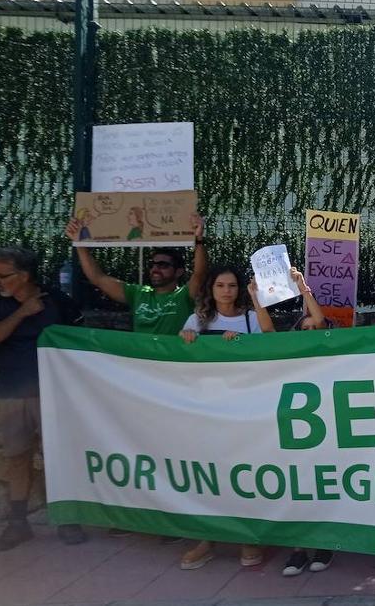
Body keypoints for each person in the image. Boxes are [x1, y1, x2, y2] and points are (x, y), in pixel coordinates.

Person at [178, 266, 273, 570]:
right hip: (207, 408)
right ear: (212, 288)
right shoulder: (197, 320)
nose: (226, 291)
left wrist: (243, 341)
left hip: (244, 408)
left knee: (246, 472)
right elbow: (182, 357)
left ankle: (249, 537)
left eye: (232, 285)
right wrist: (186, 339)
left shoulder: (248, 318)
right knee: (210, 474)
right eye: (220, 285)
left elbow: (271, 341)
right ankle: (207, 539)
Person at [0, 247, 87, 550]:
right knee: (16, 457)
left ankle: (66, 519)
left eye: (3, 275)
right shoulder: (0, 302)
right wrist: (23, 312)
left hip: (52, 393)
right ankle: (17, 522)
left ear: (25, 275)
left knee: (58, 455)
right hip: (11, 393)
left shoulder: (57, 301)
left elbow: (79, 341)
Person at [67, 214, 208, 335]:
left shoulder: (184, 295)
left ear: (179, 271)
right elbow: (98, 278)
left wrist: (199, 240)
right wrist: (79, 243)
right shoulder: (137, 293)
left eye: (163, 265)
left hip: (171, 362)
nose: (155, 269)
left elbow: (199, 274)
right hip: (140, 364)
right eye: (152, 264)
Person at [281, 268, 336, 576]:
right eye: (304, 328)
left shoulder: (332, 351)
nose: (310, 330)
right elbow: (266, 333)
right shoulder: (289, 355)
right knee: (299, 488)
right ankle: (299, 549)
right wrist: (255, 300)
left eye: (316, 327)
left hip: (328, 432)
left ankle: (325, 544)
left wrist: (303, 288)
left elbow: (317, 318)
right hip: (296, 433)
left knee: (325, 487)